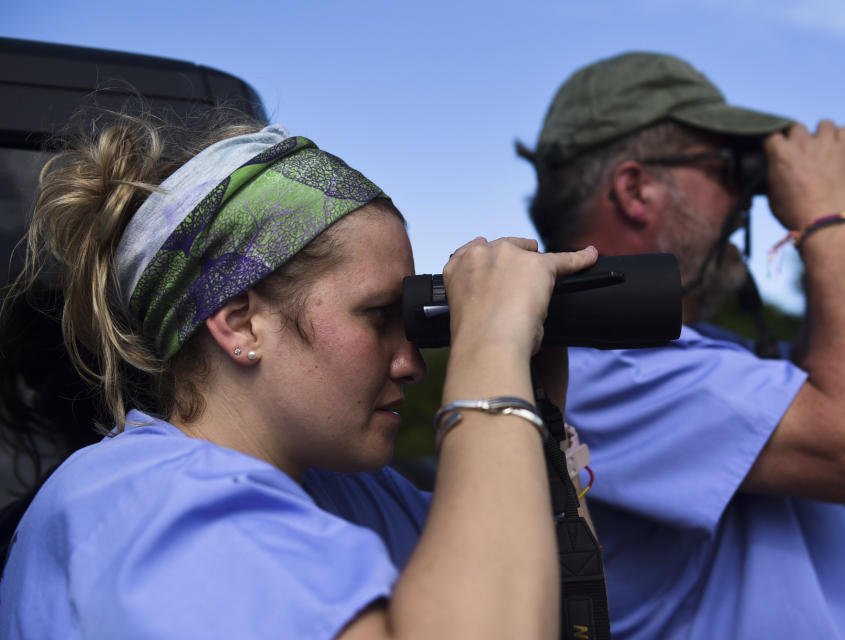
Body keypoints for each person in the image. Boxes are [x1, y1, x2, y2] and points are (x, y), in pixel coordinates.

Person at [0, 105, 598, 639]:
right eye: (378, 316)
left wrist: (537, 411)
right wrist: (487, 346)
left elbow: (526, 601)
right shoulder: (143, 508)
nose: (412, 363)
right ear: (240, 324)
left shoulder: (344, 488)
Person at [516, 52, 845, 639]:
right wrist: (828, 219)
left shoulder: (671, 355)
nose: (746, 199)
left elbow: (841, 394)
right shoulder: (592, 365)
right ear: (637, 189)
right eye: (729, 171)